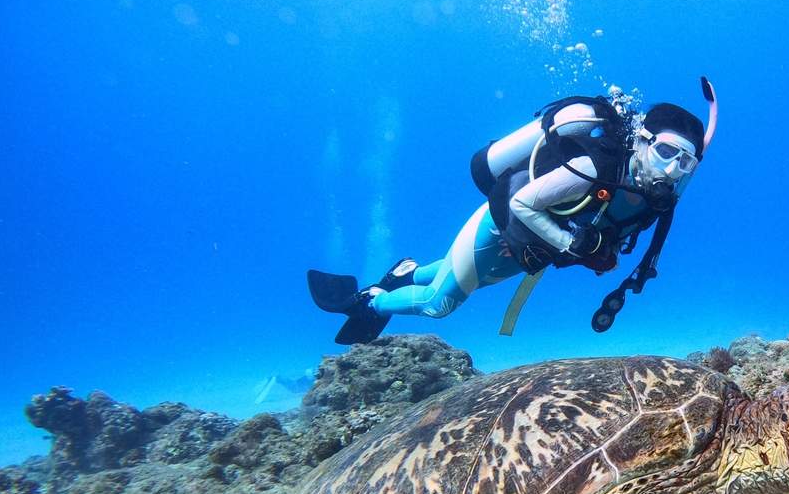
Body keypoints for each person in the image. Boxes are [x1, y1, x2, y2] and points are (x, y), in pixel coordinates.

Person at [308, 80, 718, 343]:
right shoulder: (596, 168)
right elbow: (522, 203)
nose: (672, 170)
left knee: (459, 275)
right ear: (643, 141)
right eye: (666, 152)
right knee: (440, 303)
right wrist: (571, 244)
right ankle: (371, 301)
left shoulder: (658, 196)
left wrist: (590, 252)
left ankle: (406, 272)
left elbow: (600, 226)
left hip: (527, 253)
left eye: (685, 163)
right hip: (499, 228)